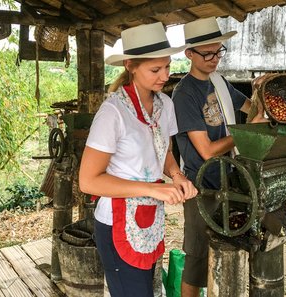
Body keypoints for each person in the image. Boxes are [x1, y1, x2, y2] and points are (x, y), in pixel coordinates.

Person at [79, 22, 198, 297]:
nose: (165, 76)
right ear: (131, 65)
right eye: (155, 70)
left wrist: (178, 177)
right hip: (116, 221)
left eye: (167, 66)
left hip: (148, 216)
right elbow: (88, 181)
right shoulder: (113, 112)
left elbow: (163, 150)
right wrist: (153, 188)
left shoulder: (164, 105)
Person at [171, 17, 268, 297]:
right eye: (208, 54)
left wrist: (259, 89)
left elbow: (251, 110)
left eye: (219, 52)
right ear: (189, 54)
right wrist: (247, 131)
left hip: (230, 178)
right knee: (197, 257)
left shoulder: (220, 82)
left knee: (232, 247)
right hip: (202, 186)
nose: (215, 59)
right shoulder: (184, 94)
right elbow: (207, 151)